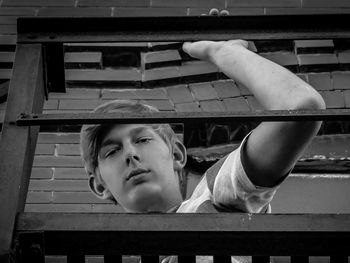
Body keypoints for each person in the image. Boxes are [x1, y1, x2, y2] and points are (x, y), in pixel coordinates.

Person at [80, 39, 325, 263]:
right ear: (99, 186)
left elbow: (301, 108)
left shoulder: (210, 196)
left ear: (176, 154)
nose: (130, 154)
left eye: (143, 139)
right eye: (112, 152)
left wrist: (224, 53)